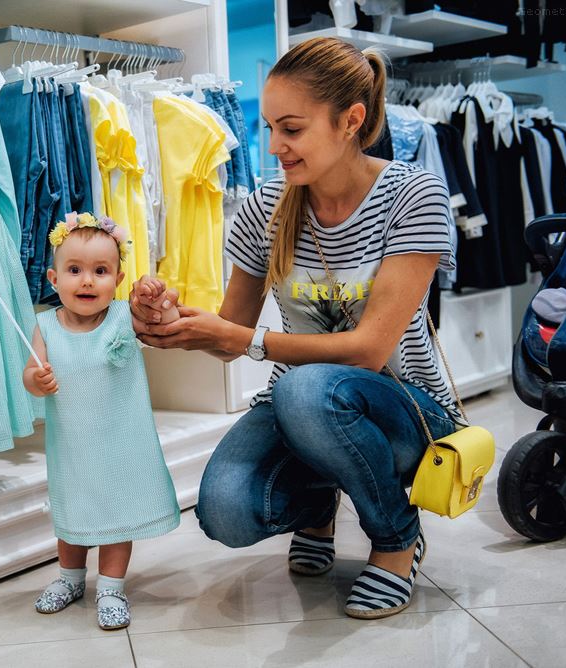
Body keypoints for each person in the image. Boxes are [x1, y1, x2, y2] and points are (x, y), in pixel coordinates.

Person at [130, 37, 462, 620]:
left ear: (350, 120)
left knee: (306, 387)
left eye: (292, 128)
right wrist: (173, 321)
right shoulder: (267, 206)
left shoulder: (413, 195)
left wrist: (246, 341)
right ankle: (318, 507)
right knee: (226, 510)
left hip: (408, 410)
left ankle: (396, 540)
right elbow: (228, 334)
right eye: (269, 128)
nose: (275, 146)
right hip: (302, 404)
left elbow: (368, 350)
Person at [24, 212, 180, 630]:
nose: (87, 281)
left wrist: (158, 297)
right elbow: (29, 374)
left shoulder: (122, 319)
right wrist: (37, 380)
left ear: (119, 279)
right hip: (73, 448)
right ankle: (70, 578)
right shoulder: (45, 326)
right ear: (54, 280)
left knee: (116, 515)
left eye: (100, 271)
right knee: (72, 516)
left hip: (119, 445)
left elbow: (164, 321)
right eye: (74, 270)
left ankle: (111, 586)